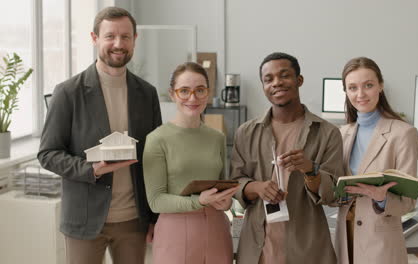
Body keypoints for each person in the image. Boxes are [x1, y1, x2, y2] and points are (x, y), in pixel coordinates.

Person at [37, 7, 161, 264]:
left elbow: (154, 157)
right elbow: (48, 154)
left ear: (135, 40)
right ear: (95, 39)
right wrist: (90, 169)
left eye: (126, 37)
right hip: (84, 219)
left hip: (133, 220)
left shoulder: (147, 93)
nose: (118, 44)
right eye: (110, 36)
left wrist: (154, 216)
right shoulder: (68, 92)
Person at [230, 52, 343, 264]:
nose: (276, 83)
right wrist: (256, 187)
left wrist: (311, 169)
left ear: (299, 80)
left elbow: (335, 193)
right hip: (257, 247)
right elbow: (234, 182)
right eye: (268, 79)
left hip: (306, 247)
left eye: (284, 75)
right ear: (263, 86)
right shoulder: (246, 132)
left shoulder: (327, 133)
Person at [143, 62, 238, 264]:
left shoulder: (217, 137)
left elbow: (223, 185)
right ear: (172, 94)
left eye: (200, 90)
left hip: (217, 231)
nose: (192, 98)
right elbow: (155, 200)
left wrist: (227, 201)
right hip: (174, 232)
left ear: (208, 93)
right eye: (184, 91)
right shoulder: (157, 139)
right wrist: (198, 202)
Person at [334, 57, 418, 264]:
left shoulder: (403, 133)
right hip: (345, 238)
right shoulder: (341, 134)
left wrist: (381, 199)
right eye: (352, 88)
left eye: (368, 85)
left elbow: (408, 202)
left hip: (381, 244)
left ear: (380, 85)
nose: (360, 94)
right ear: (346, 91)